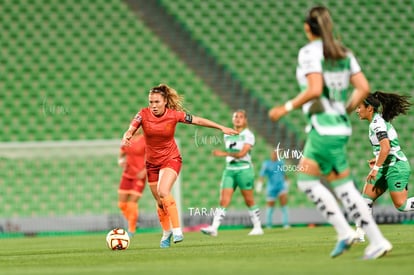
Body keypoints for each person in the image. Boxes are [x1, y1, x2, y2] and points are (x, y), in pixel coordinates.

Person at [268, 5, 391, 259]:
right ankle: (372, 239)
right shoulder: (342, 52)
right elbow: (363, 87)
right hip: (338, 128)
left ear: (306, 28)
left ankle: (347, 233)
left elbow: (314, 89)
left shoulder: (309, 52)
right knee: (343, 187)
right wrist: (343, 108)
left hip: (323, 129)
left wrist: (285, 107)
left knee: (305, 181)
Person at [122, 83, 238, 248]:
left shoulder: (174, 115)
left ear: (164, 101)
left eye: (157, 102)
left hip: (171, 158)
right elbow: (132, 126)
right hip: (152, 163)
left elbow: (197, 120)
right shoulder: (143, 114)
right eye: (151, 102)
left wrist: (221, 127)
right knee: (160, 202)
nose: (153, 105)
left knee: (164, 191)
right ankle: (166, 232)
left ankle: (177, 230)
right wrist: (127, 134)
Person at [355, 91, 413, 242]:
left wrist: (375, 168)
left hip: (396, 167)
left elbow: (386, 148)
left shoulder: (377, 124)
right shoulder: (376, 121)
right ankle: (359, 235)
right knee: (365, 200)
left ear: (370, 109)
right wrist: (377, 160)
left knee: (402, 205)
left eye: (359, 107)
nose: (357, 110)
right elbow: (385, 149)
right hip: (386, 166)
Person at [201, 110, 264, 237]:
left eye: (241, 117)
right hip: (229, 169)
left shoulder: (248, 135)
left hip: (244, 169)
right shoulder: (227, 134)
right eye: (235, 117)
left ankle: (258, 227)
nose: (238, 119)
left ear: (245, 120)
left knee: (249, 200)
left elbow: (242, 154)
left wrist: (223, 154)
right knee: (223, 200)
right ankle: (214, 228)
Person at [117, 129, 146, 237]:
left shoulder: (145, 140)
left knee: (132, 203)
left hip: (139, 176)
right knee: (121, 204)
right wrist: (121, 161)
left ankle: (131, 229)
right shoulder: (127, 138)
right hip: (127, 174)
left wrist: (145, 170)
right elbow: (122, 152)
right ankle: (133, 221)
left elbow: (152, 156)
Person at [256, 149, 290, 229]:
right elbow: (262, 175)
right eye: (274, 154)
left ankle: (285, 224)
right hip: (271, 188)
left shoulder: (281, 163)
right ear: (271, 155)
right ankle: (269, 225)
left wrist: (287, 182)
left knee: (284, 204)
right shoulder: (266, 164)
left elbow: (284, 173)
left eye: (276, 154)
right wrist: (259, 184)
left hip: (281, 186)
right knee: (270, 206)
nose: (275, 155)